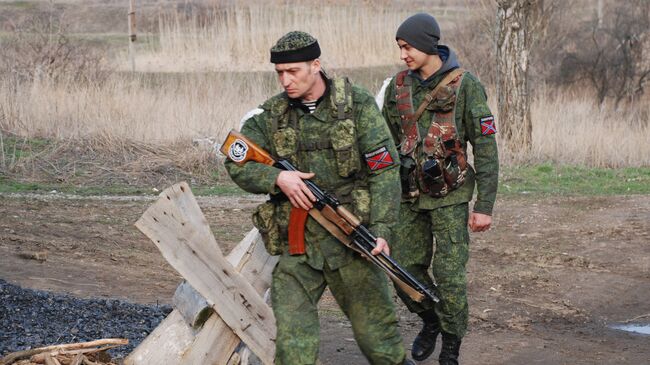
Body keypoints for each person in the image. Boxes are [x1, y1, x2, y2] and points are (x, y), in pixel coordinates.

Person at [225, 31, 413, 365]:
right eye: (279, 72)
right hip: (298, 250)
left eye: (293, 71)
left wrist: (383, 229)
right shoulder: (270, 116)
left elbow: (385, 169)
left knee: (380, 342)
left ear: (316, 65)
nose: (285, 80)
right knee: (293, 348)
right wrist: (277, 177)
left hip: (351, 242)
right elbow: (236, 161)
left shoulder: (357, 105)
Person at [380, 13, 499, 365]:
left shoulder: (466, 86)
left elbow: (486, 146)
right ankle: (430, 320)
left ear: (429, 44)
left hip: (451, 198)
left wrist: (485, 205)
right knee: (401, 268)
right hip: (408, 197)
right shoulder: (397, 87)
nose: (403, 54)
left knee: (450, 277)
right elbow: (384, 143)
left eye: (408, 46)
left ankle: (451, 347)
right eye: (400, 47)